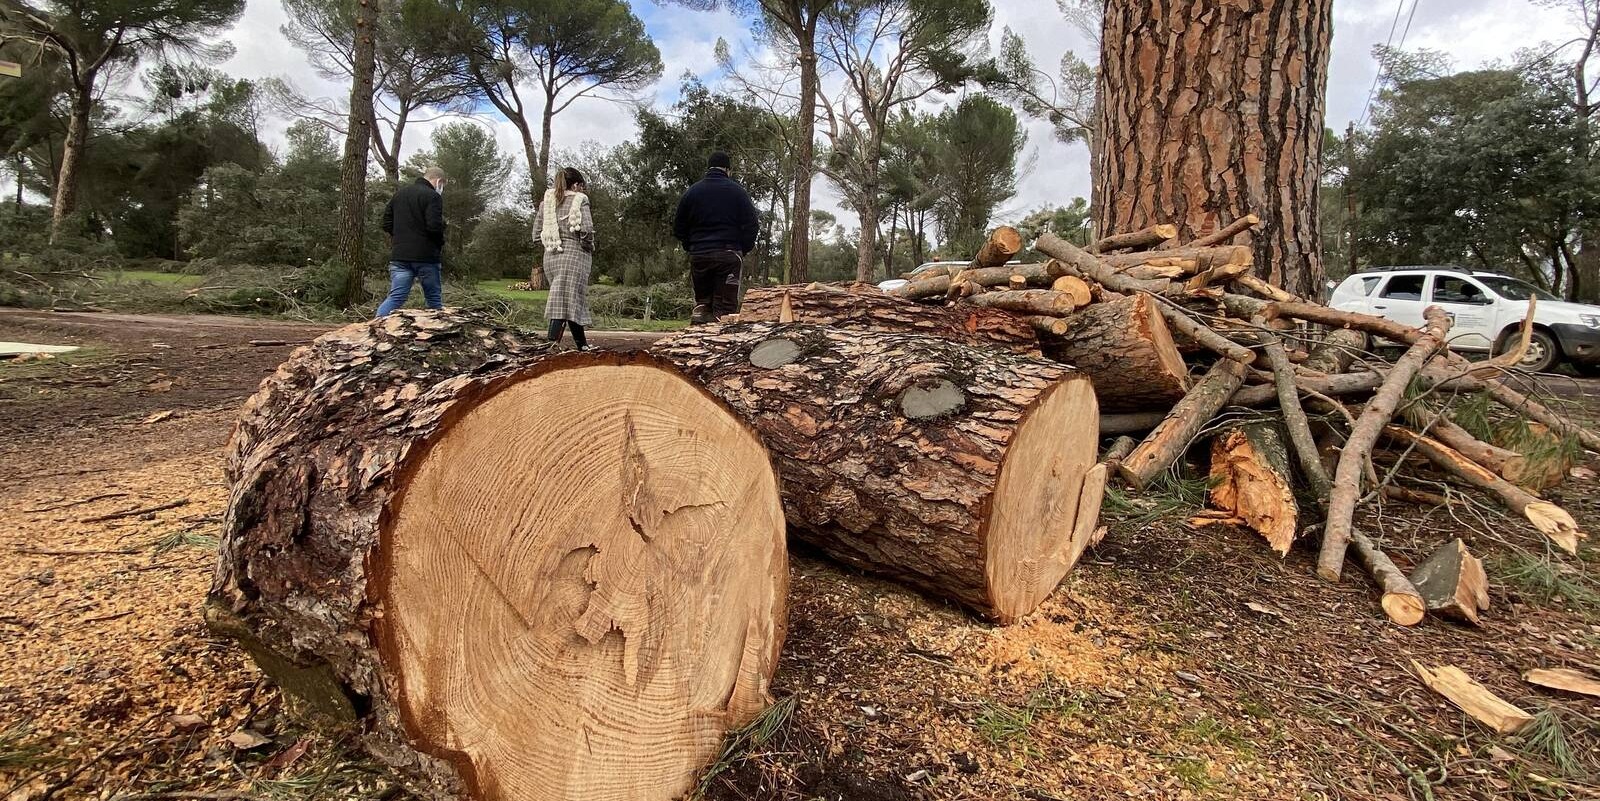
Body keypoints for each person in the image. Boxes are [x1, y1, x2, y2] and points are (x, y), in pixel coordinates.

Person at [673, 151, 759, 323]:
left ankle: (695, 341)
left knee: (703, 304)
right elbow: (752, 225)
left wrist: (691, 246)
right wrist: (742, 248)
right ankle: (721, 344)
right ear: (728, 170)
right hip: (728, 255)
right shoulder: (738, 192)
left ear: (708, 168)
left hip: (700, 256)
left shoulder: (692, 192)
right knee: (725, 311)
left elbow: (678, 226)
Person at [537, 167, 595, 349]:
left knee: (569, 301)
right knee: (564, 302)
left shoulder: (546, 203)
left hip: (551, 257)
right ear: (576, 185)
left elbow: (536, 232)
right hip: (573, 257)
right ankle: (551, 345)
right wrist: (588, 246)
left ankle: (582, 345)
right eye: (582, 186)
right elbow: (585, 230)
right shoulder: (579, 201)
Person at [377, 166, 447, 317]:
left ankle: (373, 329)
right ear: (438, 181)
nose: (441, 189)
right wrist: (440, 243)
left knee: (396, 297)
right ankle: (436, 335)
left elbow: (386, 223)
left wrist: (401, 237)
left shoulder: (399, 194)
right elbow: (434, 227)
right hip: (426, 257)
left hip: (400, 255)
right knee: (433, 300)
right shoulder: (433, 197)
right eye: (442, 186)